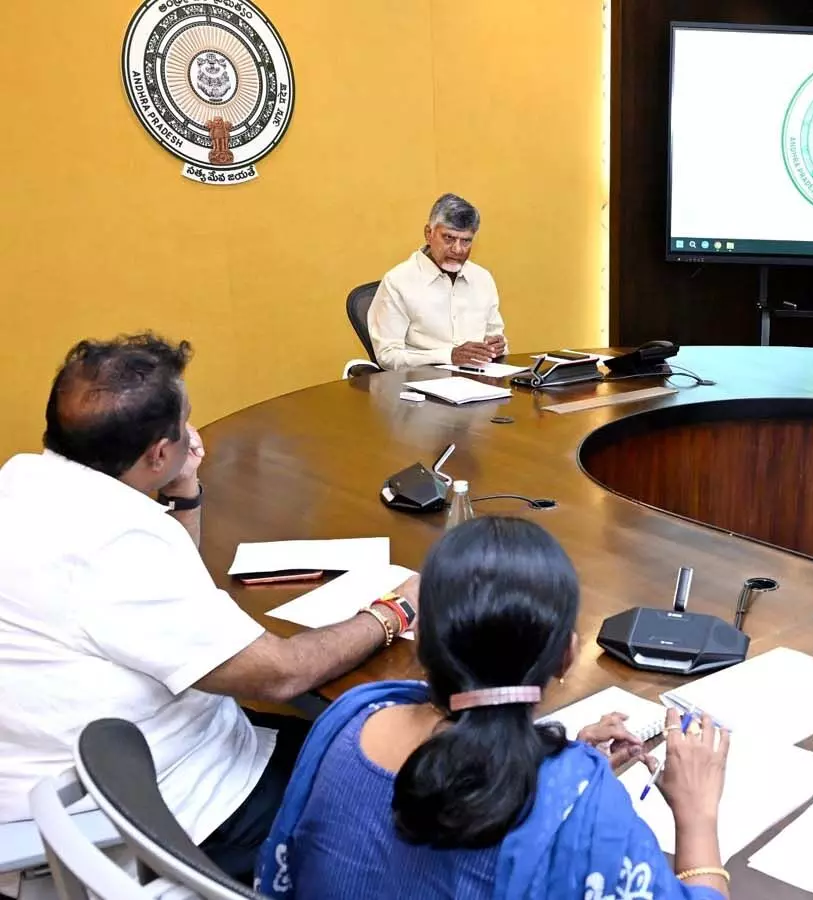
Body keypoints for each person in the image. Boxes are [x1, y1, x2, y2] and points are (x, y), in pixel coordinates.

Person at [0, 334, 419, 885]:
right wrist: (393, 612)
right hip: (178, 812)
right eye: (185, 424)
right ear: (156, 452)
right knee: (400, 776)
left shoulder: (23, 480)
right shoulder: (114, 541)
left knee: (343, 730)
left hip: (85, 773)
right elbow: (281, 674)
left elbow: (166, 587)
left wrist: (183, 491)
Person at [256, 517, 731, 900]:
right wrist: (697, 815)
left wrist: (555, 772)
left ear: (421, 639)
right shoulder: (581, 805)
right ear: (568, 655)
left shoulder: (349, 719)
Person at [367, 192, 508, 371]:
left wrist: (496, 347)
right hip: (421, 388)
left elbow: (495, 337)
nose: (457, 249)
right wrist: (448, 356)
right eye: (448, 238)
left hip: (479, 381)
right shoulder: (398, 282)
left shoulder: (482, 278)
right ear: (429, 233)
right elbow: (387, 356)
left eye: (466, 241)